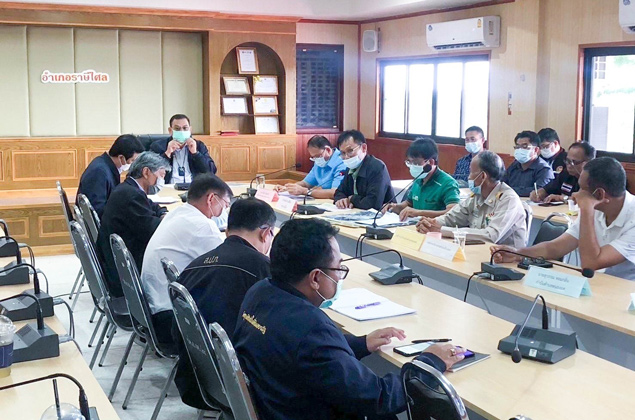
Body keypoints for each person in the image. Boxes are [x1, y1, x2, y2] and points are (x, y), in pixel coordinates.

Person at [233, 218, 465, 420]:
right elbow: (379, 398)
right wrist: (429, 363)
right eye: (338, 269)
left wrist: (361, 343)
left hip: (276, 407)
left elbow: (299, 353)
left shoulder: (260, 291)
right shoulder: (311, 328)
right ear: (316, 278)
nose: (340, 276)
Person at [173, 197, 276, 409]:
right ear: (266, 233)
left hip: (194, 378)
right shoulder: (263, 269)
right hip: (240, 387)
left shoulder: (194, 266)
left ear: (228, 230)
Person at [492, 157, 635, 281]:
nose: (575, 194)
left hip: (625, 292)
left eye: (581, 189)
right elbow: (555, 247)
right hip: (599, 283)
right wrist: (517, 253)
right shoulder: (596, 207)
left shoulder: (598, 209)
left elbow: (590, 263)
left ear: (599, 194)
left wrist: (586, 209)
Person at [140, 174, 232, 347]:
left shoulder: (177, 213)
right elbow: (229, 266)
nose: (224, 212)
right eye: (225, 205)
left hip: (151, 309)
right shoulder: (202, 226)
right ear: (211, 199)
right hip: (169, 319)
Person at [95, 152, 170, 298]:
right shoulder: (131, 195)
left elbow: (152, 206)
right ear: (146, 172)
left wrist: (162, 213)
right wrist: (166, 220)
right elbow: (153, 230)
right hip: (124, 273)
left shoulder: (129, 188)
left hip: (117, 261)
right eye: (160, 176)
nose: (161, 181)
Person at [416, 150, 527, 248]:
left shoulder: (508, 199)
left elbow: (491, 236)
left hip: (506, 258)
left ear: (483, 176)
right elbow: (452, 217)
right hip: (480, 251)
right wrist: (431, 223)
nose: (468, 177)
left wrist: (442, 230)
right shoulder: (477, 195)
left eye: (471, 172)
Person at [384, 138, 460, 221]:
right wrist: (395, 207)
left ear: (431, 162)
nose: (412, 166)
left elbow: (453, 213)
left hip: (435, 227)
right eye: (410, 162)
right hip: (414, 225)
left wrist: (419, 213)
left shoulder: (448, 183)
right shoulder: (419, 179)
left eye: (416, 162)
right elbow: (409, 203)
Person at [77, 134, 145, 218]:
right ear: (121, 158)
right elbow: (96, 211)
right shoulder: (99, 172)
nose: (133, 165)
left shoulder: (106, 166)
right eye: (132, 161)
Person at [333, 130, 394, 210]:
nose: (346, 157)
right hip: (355, 213)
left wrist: (352, 199)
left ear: (364, 148)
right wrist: (341, 200)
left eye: (350, 151)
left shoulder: (377, 167)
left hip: (381, 215)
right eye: (343, 153)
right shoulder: (350, 168)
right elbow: (339, 192)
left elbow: (373, 203)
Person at [150, 113, 217, 184]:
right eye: (177, 129)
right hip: (168, 186)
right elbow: (151, 171)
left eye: (185, 128)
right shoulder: (158, 146)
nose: (181, 131)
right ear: (170, 130)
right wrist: (167, 154)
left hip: (193, 187)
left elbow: (211, 171)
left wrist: (195, 153)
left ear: (190, 130)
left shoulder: (198, 145)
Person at [275, 135, 346, 199]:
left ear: (328, 150)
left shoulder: (342, 162)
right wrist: (287, 188)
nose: (316, 159)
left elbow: (335, 192)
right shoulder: (320, 161)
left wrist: (305, 191)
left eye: (317, 156)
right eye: (313, 157)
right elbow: (306, 183)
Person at [529, 142, 596, 203]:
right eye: (568, 161)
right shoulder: (566, 173)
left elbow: (585, 201)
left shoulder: (594, 179)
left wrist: (561, 198)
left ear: (588, 163)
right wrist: (539, 193)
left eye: (574, 162)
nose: (569, 165)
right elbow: (549, 188)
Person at [503, 130, 554, 197]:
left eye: (524, 146)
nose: (520, 150)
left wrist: (509, 190)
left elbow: (538, 192)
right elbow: (502, 186)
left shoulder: (544, 170)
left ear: (536, 150)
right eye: (517, 147)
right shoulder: (514, 166)